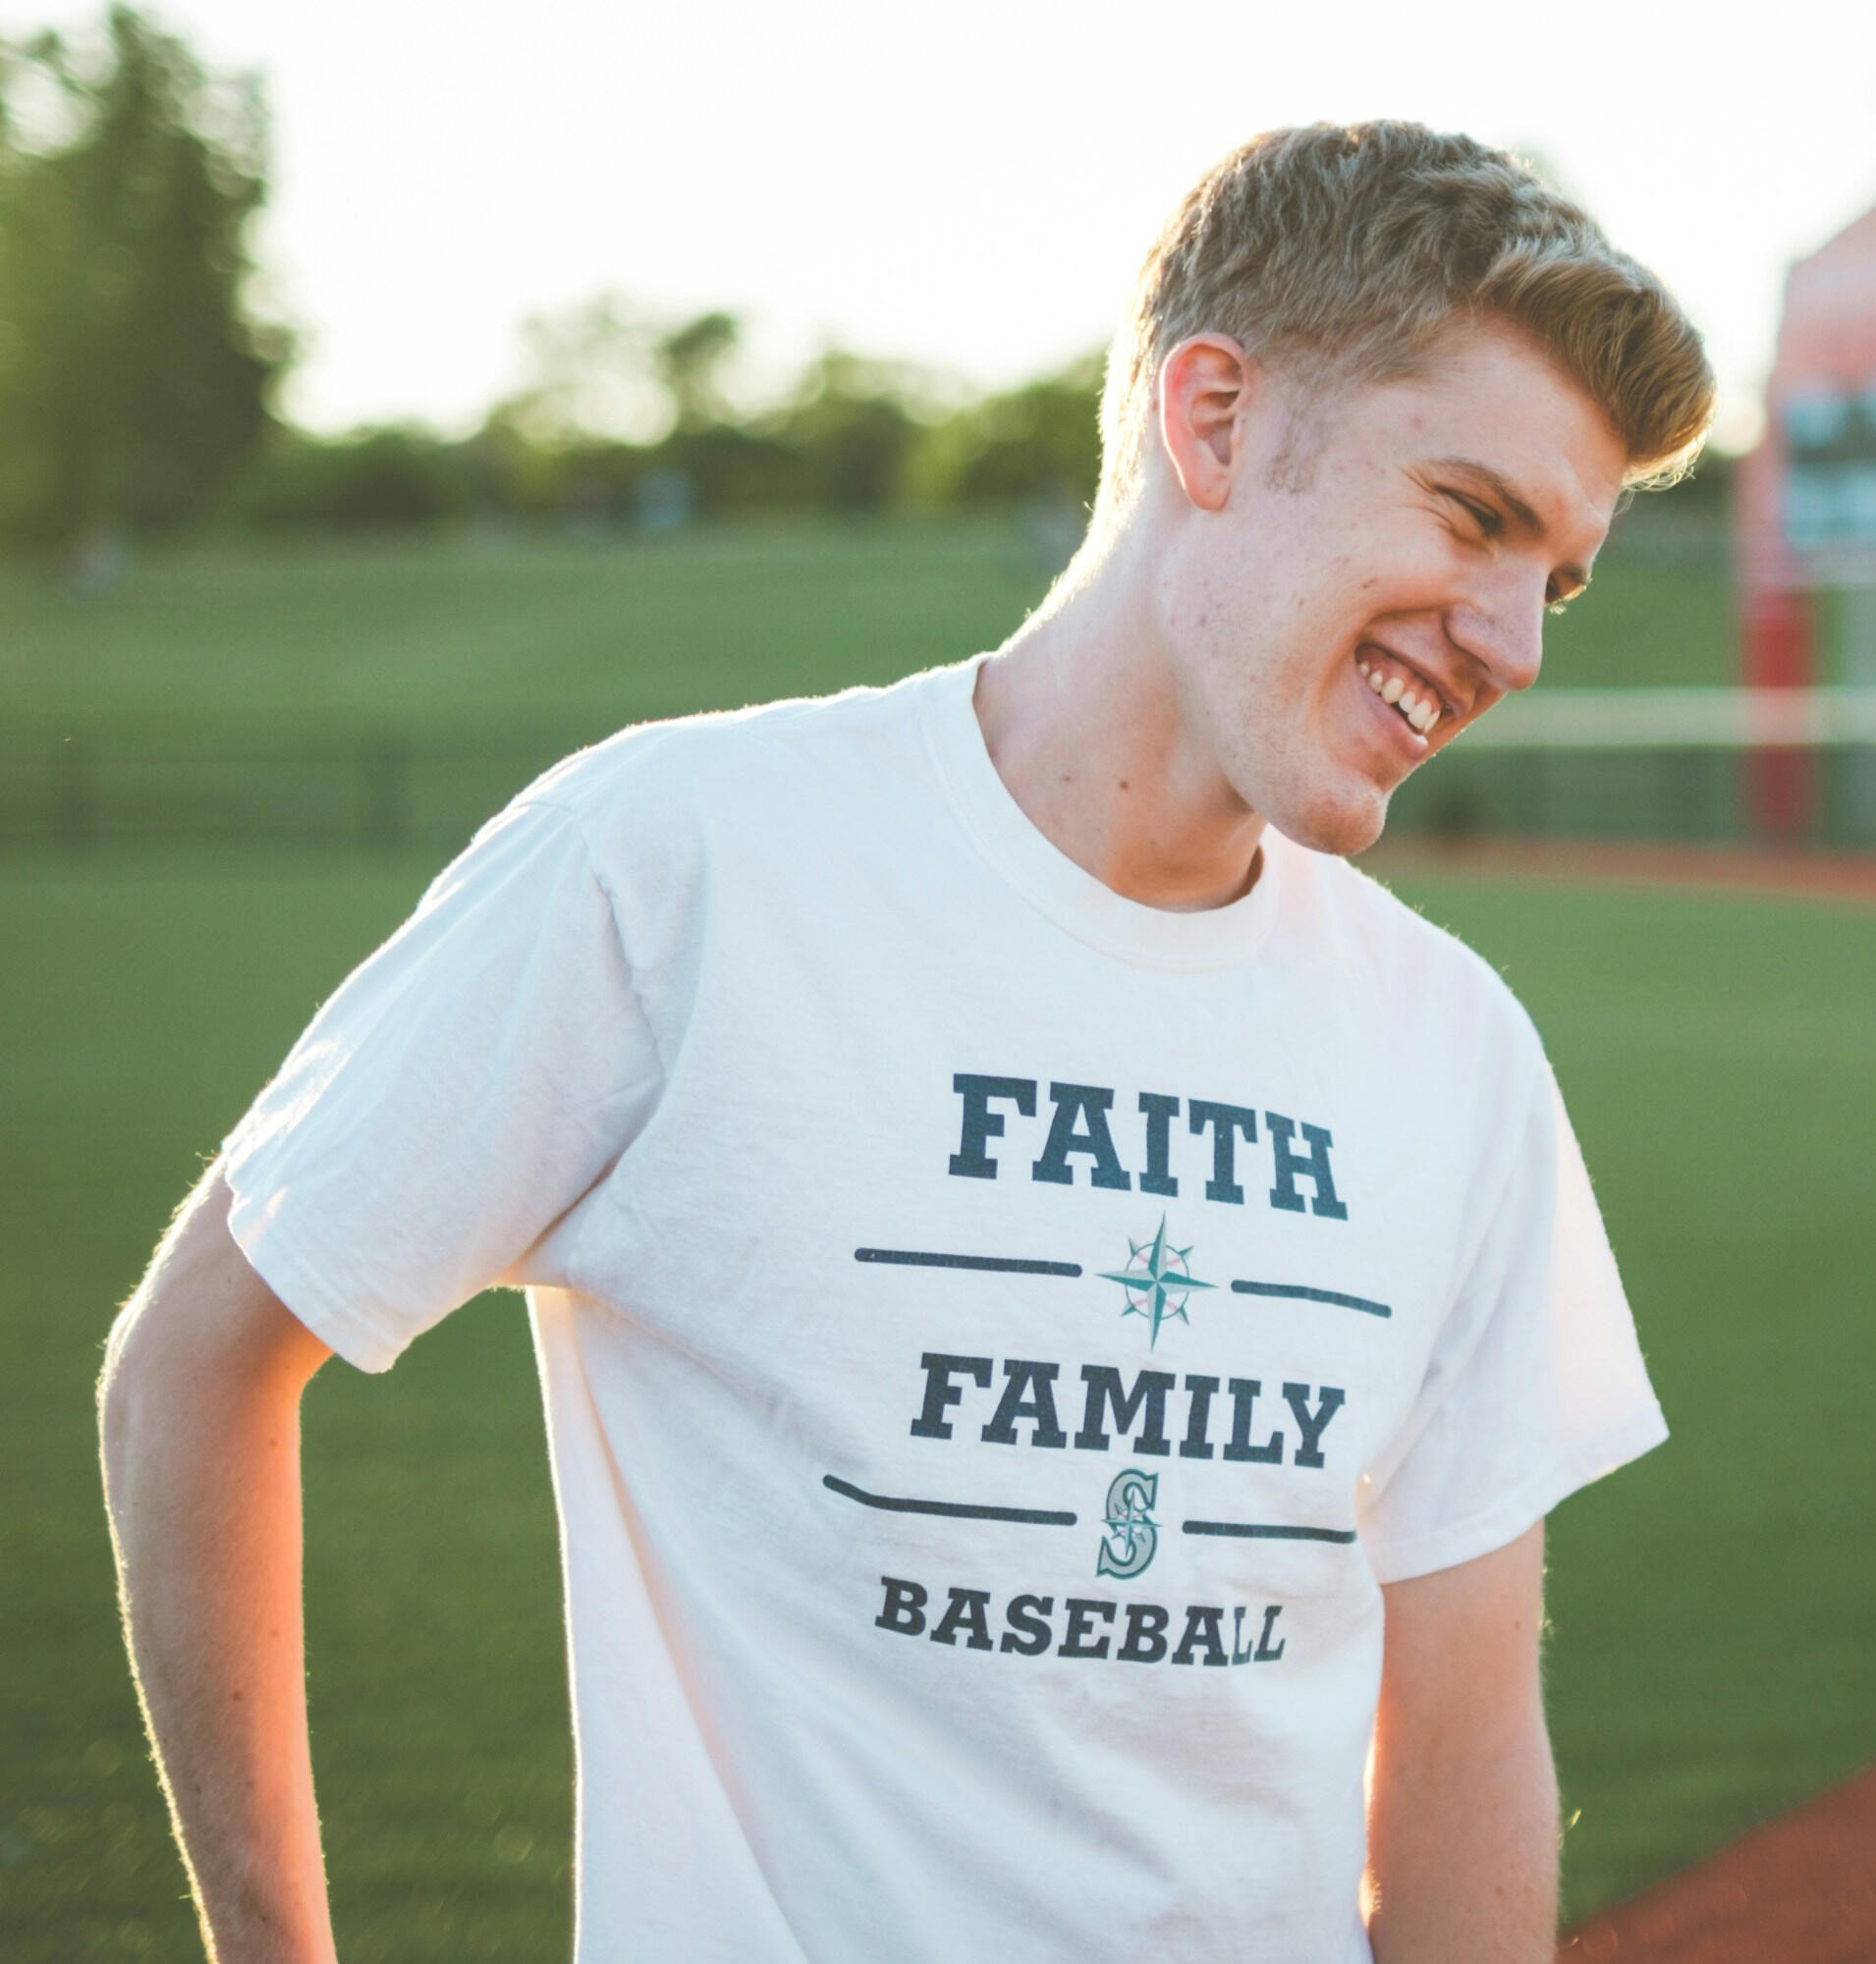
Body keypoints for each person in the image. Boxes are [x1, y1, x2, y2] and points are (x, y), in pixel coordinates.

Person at [98, 120, 1713, 1961]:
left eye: (1558, 578)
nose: (1511, 637)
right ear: (1214, 424)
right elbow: (197, 1364)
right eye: (1473, 515)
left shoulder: (1457, 1050)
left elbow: (1467, 1736)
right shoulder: (684, 863)